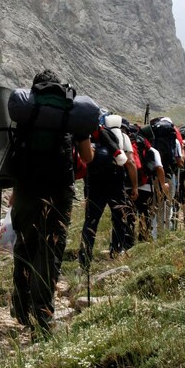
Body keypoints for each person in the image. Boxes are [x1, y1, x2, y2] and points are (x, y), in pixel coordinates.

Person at [8, 70, 94, 338]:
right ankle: (43, 320)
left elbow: (17, 150)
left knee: (24, 244)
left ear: (35, 89)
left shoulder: (28, 110)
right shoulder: (70, 112)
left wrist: (15, 192)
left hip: (25, 188)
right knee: (50, 250)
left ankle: (22, 310)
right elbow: (87, 157)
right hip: (59, 191)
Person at [78, 114, 138, 271]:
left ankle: (84, 260)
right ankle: (116, 251)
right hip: (115, 183)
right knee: (118, 218)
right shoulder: (122, 136)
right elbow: (130, 162)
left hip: (94, 184)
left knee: (91, 221)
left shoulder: (92, 136)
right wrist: (135, 186)